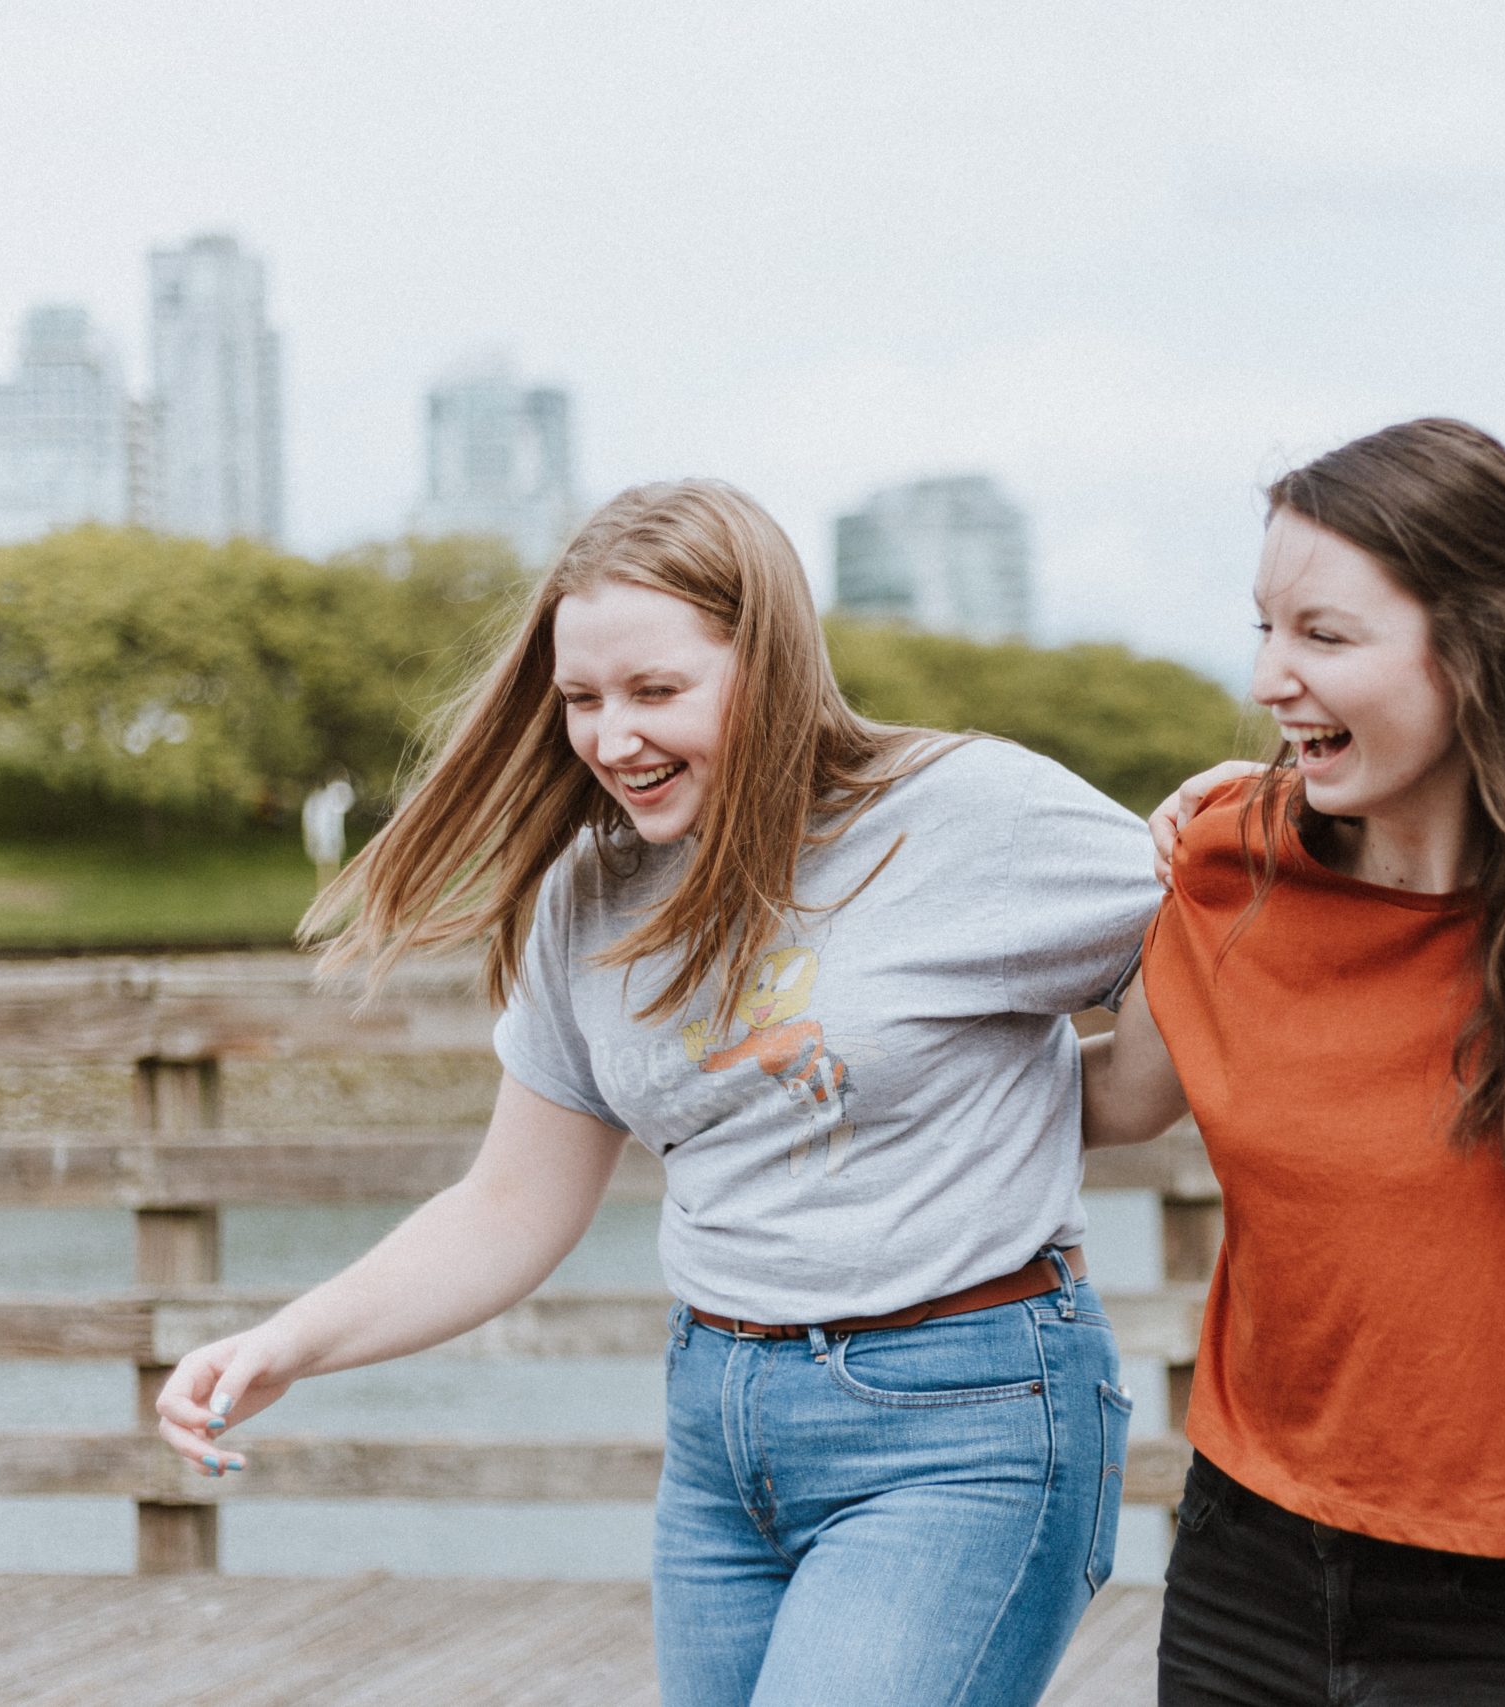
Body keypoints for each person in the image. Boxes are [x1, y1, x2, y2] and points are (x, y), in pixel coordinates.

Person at [153, 481, 1160, 1707]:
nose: (609, 737)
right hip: (721, 1440)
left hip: (964, 1427)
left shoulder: (965, 816)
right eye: (581, 698)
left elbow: (1211, 970)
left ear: (771, 666)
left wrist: (1086, 1071)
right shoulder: (589, 890)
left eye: (656, 691)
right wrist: (286, 1343)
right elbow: (509, 1207)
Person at [1084, 418, 1505, 1706]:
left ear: (1477, 651)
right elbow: (1117, 1099)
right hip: (1243, 1558)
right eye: (1265, 628)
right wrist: (837, 1070)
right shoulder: (1229, 863)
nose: (1272, 676)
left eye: (1325, 637)